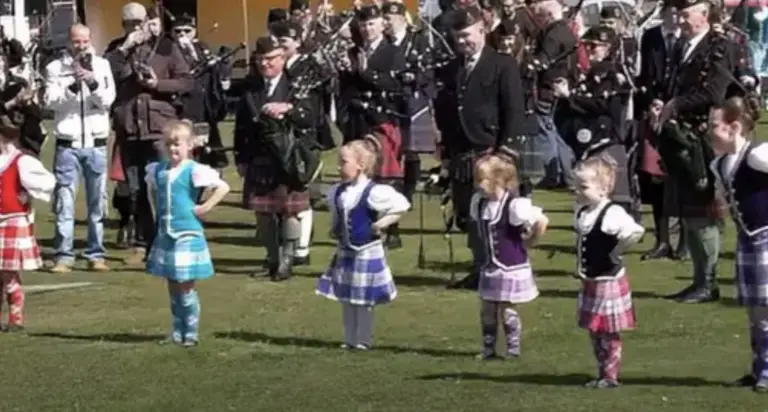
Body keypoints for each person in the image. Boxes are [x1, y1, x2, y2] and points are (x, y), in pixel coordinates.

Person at [435, 6, 528, 289]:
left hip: (492, 151)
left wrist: (506, 153)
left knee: (498, 216)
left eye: (466, 35)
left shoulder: (502, 64)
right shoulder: (450, 69)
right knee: (471, 214)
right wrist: (447, 154)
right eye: (457, 37)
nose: (462, 42)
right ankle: (480, 268)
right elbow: (446, 112)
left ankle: (504, 265)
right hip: (462, 151)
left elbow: (514, 110)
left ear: (481, 30)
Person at [653, 0, 730, 303]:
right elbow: (673, 86)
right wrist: (663, 103)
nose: (680, 20)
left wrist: (676, 105)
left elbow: (714, 93)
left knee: (703, 210)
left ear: (704, 14)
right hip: (681, 140)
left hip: (703, 141)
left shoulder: (719, 46)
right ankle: (699, 279)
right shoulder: (681, 47)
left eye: (686, 14)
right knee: (689, 211)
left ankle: (708, 282)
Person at [105, 2, 193, 265]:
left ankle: (171, 241)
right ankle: (148, 243)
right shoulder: (115, 49)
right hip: (130, 128)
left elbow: (187, 81)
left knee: (164, 187)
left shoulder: (165, 47)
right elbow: (105, 73)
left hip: (158, 127)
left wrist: (158, 84)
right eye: (129, 23)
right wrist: (124, 48)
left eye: (138, 22)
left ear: (146, 22)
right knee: (137, 190)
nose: (134, 27)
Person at [234, 36, 319, 281]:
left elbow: (312, 118)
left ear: (282, 58)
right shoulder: (250, 87)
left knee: (289, 211)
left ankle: (287, 261)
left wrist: (289, 108)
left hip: (289, 157)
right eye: (260, 59)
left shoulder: (297, 84)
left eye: (270, 59)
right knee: (263, 213)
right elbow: (241, 127)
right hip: (259, 157)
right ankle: (271, 259)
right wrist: (241, 157)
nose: (264, 64)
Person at [315, 140, 409, 350]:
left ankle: (363, 340)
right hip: (346, 251)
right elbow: (338, 214)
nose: (339, 167)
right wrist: (335, 228)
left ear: (361, 165)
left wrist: (382, 223)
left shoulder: (374, 192)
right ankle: (349, 339)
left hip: (367, 250)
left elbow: (402, 205)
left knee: (364, 300)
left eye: (344, 162)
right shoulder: (337, 191)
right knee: (347, 298)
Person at [145, 120, 230, 347]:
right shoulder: (159, 170)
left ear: (189, 145)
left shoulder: (194, 170)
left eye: (178, 145)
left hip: (187, 233)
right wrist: (158, 213)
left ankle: (190, 331)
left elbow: (222, 187)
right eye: (170, 145)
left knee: (185, 285)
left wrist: (205, 207)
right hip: (166, 233)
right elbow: (152, 191)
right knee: (172, 285)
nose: (173, 150)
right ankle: (176, 331)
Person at [44, 24, 116, 273]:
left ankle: (96, 254)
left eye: (85, 41)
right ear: (69, 41)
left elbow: (108, 100)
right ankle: (64, 255)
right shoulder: (55, 68)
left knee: (97, 204)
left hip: (96, 144)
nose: (81, 46)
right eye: (76, 41)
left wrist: (92, 82)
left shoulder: (102, 65)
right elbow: (50, 101)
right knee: (65, 203)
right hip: (68, 145)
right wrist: (73, 85)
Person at [708, 96, 768, 391]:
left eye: (713, 126)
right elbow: (724, 194)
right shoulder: (718, 164)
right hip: (748, 240)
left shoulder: (758, 155)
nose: (708, 131)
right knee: (755, 312)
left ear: (733, 127)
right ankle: (760, 369)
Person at [572, 155, 644, 389]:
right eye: (577, 185)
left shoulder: (612, 213)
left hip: (608, 279)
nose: (578, 191)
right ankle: (602, 371)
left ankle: (610, 375)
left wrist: (619, 249)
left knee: (609, 331)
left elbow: (635, 231)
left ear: (603, 189)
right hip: (591, 279)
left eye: (584, 186)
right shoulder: (584, 212)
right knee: (595, 330)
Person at [470, 154, 548, 360]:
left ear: (499, 180)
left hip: (510, 267)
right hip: (490, 266)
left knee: (506, 309)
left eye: (482, 180)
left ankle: (513, 349)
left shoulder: (515, 205)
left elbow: (541, 221)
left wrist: (530, 241)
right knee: (486, 309)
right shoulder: (479, 203)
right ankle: (488, 348)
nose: (478, 185)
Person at [0, 114, 55, 331]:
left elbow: (47, 181)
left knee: (9, 274)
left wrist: (28, 192)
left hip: (12, 221)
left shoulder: (20, 161)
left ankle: (16, 319)